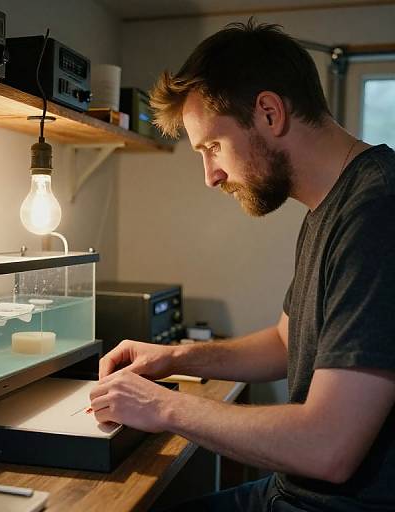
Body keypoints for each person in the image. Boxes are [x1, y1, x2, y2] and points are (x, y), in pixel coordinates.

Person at [89, 19, 395, 511]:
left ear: (269, 113)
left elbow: (328, 446)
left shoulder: (376, 210)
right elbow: (284, 342)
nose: (210, 176)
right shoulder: (330, 206)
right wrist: (174, 357)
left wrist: (162, 405)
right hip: (292, 492)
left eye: (212, 147)